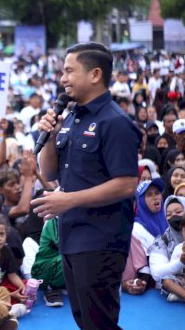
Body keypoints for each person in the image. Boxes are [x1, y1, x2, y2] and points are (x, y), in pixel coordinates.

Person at [32, 42, 141, 330]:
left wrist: (69, 201)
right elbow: (50, 172)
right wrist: (51, 137)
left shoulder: (115, 122)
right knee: (85, 320)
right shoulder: (70, 117)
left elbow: (128, 184)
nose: (62, 78)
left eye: (69, 71)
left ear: (95, 75)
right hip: (70, 236)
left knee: (99, 323)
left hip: (101, 239)